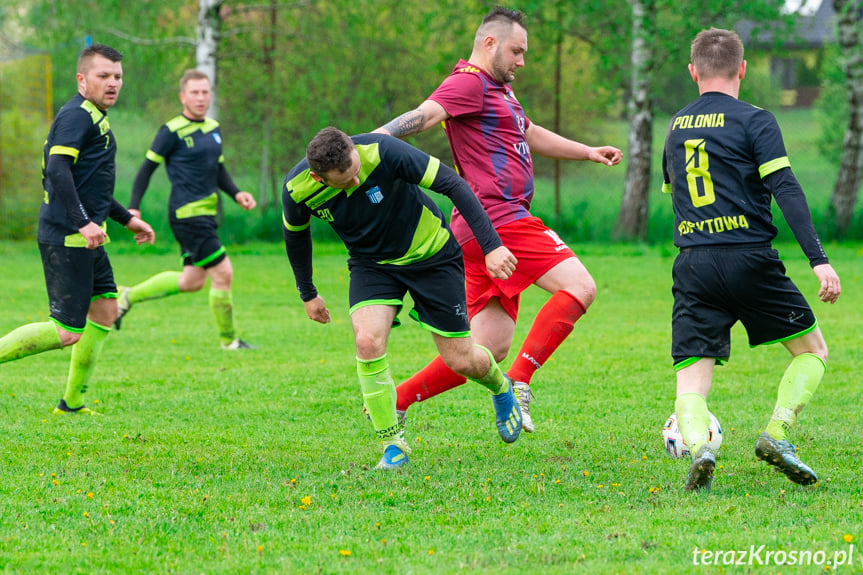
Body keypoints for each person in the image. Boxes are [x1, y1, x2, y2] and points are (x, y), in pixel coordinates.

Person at [375, 6, 623, 433]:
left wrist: (587, 151)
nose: (522, 62)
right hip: (499, 219)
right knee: (581, 287)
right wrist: (374, 140)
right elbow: (426, 114)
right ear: (489, 43)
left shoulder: (498, 89)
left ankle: (396, 400)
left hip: (478, 230)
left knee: (488, 347)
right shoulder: (469, 82)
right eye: (517, 51)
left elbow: (528, 131)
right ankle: (521, 384)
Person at [661, 28, 841, 491]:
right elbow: (785, 189)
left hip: (693, 264)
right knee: (813, 350)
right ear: (741, 69)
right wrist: (818, 259)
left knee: (691, 378)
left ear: (692, 72)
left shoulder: (676, 125)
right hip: (749, 257)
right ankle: (777, 435)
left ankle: (700, 446)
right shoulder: (756, 120)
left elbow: (677, 195)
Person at [282, 127, 522, 469]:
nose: (355, 182)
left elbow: (453, 184)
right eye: (344, 181)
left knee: (461, 360)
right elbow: (296, 238)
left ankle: (500, 386)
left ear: (353, 149)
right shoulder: (297, 190)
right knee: (366, 341)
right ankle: (393, 445)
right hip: (372, 265)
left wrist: (491, 246)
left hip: (432, 257)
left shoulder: (383, 151)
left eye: (355, 172)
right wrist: (307, 292)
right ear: (316, 177)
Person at [0, 44, 155, 414]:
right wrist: (83, 222)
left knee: (105, 311)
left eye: (117, 76)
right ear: (82, 80)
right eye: (103, 76)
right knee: (67, 331)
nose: (113, 83)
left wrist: (125, 218)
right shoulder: (77, 117)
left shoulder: (93, 115)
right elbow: (57, 172)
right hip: (68, 237)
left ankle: (71, 404)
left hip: (87, 236)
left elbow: (91, 185)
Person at [115, 69, 257, 350]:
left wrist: (236, 192)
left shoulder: (213, 129)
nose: (201, 97)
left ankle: (127, 296)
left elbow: (218, 170)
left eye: (205, 92)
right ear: (183, 97)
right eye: (194, 92)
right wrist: (133, 207)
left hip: (206, 214)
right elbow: (146, 170)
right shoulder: (171, 131)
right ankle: (230, 342)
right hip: (186, 215)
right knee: (223, 272)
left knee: (192, 280)